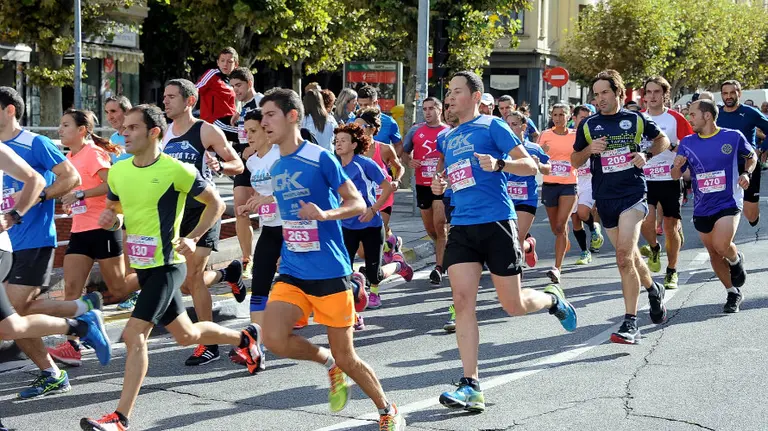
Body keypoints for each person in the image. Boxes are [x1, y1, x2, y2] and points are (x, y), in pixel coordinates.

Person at [80, 104, 262, 431]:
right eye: (126, 127)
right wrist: (112, 219)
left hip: (168, 266)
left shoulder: (175, 169)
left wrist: (192, 237)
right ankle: (244, 339)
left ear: (154, 133)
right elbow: (118, 210)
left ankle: (120, 418)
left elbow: (216, 204)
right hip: (143, 265)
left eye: (134, 127)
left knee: (135, 333)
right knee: (186, 334)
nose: (125, 131)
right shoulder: (119, 170)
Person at [254, 88, 405, 429]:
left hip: (330, 270)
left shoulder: (320, 157)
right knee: (275, 338)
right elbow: (291, 211)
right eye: (262, 116)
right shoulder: (278, 165)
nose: (264, 122)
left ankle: (386, 408)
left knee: (348, 356)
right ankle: (327, 363)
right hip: (293, 268)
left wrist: (325, 214)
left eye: (270, 115)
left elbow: (354, 202)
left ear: (293, 116)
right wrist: (267, 206)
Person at [432, 71, 577, 412]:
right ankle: (471, 384)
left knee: (512, 305)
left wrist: (501, 163)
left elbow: (531, 165)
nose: (449, 98)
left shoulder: (492, 126)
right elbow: (461, 179)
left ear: (475, 95)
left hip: (497, 221)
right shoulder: (450, 138)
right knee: (463, 302)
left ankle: (552, 301)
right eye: (448, 92)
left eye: (456, 92)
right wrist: (443, 187)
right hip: (463, 227)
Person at [0, 139, 112, 431]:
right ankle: (78, 325)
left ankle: (79, 320)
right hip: (16, 248)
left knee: (16, 314)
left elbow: (41, 179)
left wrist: (14, 215)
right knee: (10, 325)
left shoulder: (27, 143)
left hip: (24, 245)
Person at [0, 86, 102, 399]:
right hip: (6, 242)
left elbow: (70, 178)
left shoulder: (35, 142)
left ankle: (75, 330)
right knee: (16, 317)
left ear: (9, 110)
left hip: (32, 240)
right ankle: (80, 315)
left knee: (13, 319)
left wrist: (32, 200)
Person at [571, 70, 670, 345]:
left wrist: (646, 154)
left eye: (604, 92)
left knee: (623, 256)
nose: (599, 98)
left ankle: (630, 323)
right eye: (596, 94)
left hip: (633, 195)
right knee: (629, 256)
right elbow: (575, 161)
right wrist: (589, 149)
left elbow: (662, 140)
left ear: (618, 93)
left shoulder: (635, 119)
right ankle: (653, 288)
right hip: (605, 199)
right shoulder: (588, 125)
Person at [162, 79, 246, 366]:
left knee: (193, 277)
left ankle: (208, 344)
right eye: (164, 96)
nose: (165, 101)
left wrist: (219, 166)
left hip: (204, 209)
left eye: (171, 96)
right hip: (176, 213)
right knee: (187, 284)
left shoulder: (205, 130)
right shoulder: (163, 135)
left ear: (189, 101)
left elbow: (238, 164)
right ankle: (228, 275)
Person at [46, 109, 128, 367]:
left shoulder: (94, 153)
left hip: (103, 226)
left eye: (66, 125)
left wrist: (81, 196)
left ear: (82, 130)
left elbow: (111, 185)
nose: (60, 130)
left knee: (118, 289)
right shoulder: (68, 158)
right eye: (60, 125)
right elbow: (78, 190)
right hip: (80, 230)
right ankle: (73, 345)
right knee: (71, 289)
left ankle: (157, 277)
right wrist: (71, 203)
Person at [672, 100, 755, 312]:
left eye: (692, 114)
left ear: (707, 116)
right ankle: (732, 292)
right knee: (715, 253)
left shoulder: (733, 136)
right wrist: (678, 167)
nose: (689, 118)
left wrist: (746, 173)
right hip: (702, 205)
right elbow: (676, 175)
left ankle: (735, 260)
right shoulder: (688, 142)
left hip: (729, 200)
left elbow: (751, 156)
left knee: (721, 244)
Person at [335, 123, 413, 327]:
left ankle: (398, 264)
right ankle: (352, 315)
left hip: (371, 225)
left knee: (374, 275)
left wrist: (372, 210)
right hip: (346, 226)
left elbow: (387, 187)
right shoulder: (333, 166)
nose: (338, 144)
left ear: (354, 144)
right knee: (342, 271)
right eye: (337, 141)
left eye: (343, 140)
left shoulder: (365, 164)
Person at [228, 108, 282, 366]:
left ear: (266, 130)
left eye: (253, 131)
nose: (247, 136)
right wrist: (249, 205)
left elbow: (295, 190)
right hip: (270, 229)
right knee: (259, 284)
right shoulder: (252, 162)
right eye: (245, 131)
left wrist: (269, 199)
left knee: (306, 287)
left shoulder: (280, 155)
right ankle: (255, 344)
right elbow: (257, 196)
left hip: (294, 228)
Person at [638, 76, 694, 290]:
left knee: (670, 228)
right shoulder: (638, 118)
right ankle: (653, 247)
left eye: (657, 92)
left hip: (670, 178)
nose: (652, 96)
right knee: (645, 222)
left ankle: (672, 270)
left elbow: (689, 145)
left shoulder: (675, 118)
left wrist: (674, 150)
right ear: (644, 96)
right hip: (645, 179)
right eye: (649, 92)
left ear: (664, 95)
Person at [402, 97, 450, 285]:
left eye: (431, 108)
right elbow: (404, 153)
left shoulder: (448, 131)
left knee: (439, 225)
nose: (427, 112)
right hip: (422, 185)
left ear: (439, 110)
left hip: (440, 185)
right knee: (431, 229)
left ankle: (439, 267)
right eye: (425, 109)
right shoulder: (415, 130)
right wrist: (409, 161)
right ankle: (443, 248)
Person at [354, 109, 405, 269]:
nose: (357, 130)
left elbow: (399, 166)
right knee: (361, 252)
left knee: (372, 238)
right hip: (363, 202)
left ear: (372, 129)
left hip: (383, 198)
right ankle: (391, 242)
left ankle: (372, 274)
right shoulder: (353, 150)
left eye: (361, 127)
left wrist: (396, 180)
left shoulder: (384, 149)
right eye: (355, 126)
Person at [229, 66, 264, 279]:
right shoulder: (243, 106)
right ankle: (246, 259)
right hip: (245, 162)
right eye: (232, 87)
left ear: (249, 83)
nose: (235, 90)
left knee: (270, 208)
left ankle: (277, 255)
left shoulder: (263, 102)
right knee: (241, 209)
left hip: (262, 160)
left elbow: (272, 128)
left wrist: (255, 148)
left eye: (239, 85)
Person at [717, 80, 768, 228]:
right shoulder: (716, 115)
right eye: (725, 93)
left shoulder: (750, 112)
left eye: (732, 92)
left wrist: (762, 148)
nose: (729, 96)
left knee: (750, 215)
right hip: (724, 166)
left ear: (739, 93)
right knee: (723, 208)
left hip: (748, 164)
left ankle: (754, 215)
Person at [504, 111, 550, 269]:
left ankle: (516, 272)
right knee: (507, 238)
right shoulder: (501, 147)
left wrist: (539, 165)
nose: (510, 128)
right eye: (508, 125)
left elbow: (548, 169)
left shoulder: (534, 148)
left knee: (517, 238)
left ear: (524, 127)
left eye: (514, 125)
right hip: (505, 199)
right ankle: (529, 246)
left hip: (526, 198)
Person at [538, 103, 578, 282]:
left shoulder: (575, 135)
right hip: (549, 184)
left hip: (569, 184)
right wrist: (542, 154)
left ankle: (557, 268)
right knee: (556, 229)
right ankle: (563, 240)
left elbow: (581, 156)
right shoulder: (545, 136)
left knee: (561, 225)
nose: (558, 118)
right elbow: (537, 159)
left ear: (569, 116)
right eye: (555, 114)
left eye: (562, 114)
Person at [569, 104, 604, 264]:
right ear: (574, 118)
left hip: (588, 181)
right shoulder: (567, 136)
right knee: (575, 219)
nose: (586, 121)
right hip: (570, 181)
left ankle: (593, 228)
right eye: (583, 118)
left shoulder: (595, 135)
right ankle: (584, 252)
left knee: (583, 213)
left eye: (589, 117)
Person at [195, 47, 238, 138]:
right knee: (246, 134)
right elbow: (195, 90)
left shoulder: (234, 82)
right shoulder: (213, 74)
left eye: (229, 62)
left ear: (236, 64)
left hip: (230, 120)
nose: (225, 64)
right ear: (218, 63)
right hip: (214, 122)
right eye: (222, 61)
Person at [357, 85, 402, 154]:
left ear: (375, 103)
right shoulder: (352, 121)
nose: (363, 108)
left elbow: (398, 145)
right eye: (360, 105)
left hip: (380, 163)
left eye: (366, 105)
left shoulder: (389, 122)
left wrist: (392, 159)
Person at [103, 95, 132, 163]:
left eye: (113, 111)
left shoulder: (139, 137)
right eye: (107, 112)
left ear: (127, 111)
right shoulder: (113, 137)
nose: (109, 117)